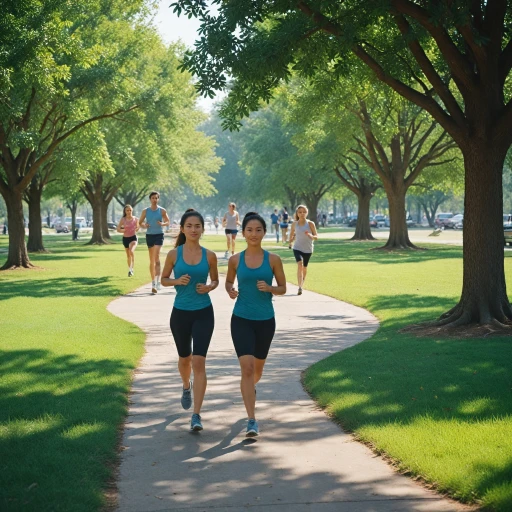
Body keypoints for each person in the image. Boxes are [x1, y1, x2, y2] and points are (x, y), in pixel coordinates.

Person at [225, 212, 286, 437]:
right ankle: (252, 420)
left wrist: (270, 289)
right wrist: (230, 290)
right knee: (247, 368)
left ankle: (250, 387)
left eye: (258, 230)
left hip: (265, 321)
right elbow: (229, 280)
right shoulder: (235, 260)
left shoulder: (273, 260)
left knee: (257, 370)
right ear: (243, 233)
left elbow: (283, 288)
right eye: (249, 230)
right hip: (241, 318)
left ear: (264, 232)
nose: (253, 234)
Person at [161, 209, 219, 431]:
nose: (194, 230)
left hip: (204, 312)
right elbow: (163, 279)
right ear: (183, 229)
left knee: (198, 362)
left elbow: (215, 280)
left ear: (203, 229)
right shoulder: (174, 254)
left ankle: (196, 415)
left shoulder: (210, 255)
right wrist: (177, 282)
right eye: (189, 226)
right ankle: (186, 385)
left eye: (197, 226)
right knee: (185, 359)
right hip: (180, 314)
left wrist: (209, 287)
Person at [139, 191, 170, 294]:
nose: (154, 200)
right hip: (149, 236)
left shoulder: (162, 210)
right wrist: (145, 225)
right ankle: (153, 282)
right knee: (152, 260)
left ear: (158, 199)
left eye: (156, 198)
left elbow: (167, 221)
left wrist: (162, 223)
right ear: (150, 199)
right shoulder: (145, 211)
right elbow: (140, 223)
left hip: (159, 235)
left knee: (156, 257)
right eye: (153, 198)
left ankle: (157, 282)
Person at [289, 205, 318, 295]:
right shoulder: (294, 224)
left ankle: (302, 281)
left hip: (308, 249)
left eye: (304, 212)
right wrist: (290, 241)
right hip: (297, 247)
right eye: (300, 212)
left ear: (307, 213)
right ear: (297, 213)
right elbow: (291, 235)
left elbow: (316, 237)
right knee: (300, 264)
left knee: (304, 267)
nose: (302, 214)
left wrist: (311, 236)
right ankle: (300, 287)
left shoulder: (310, 224)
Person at [117, 205, 140, 277]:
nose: (129, 212)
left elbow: (138, 227)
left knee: (131, 251)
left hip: (133, 238)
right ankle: (130, 269)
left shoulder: (135, 219)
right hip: (125, 239)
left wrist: (136, 229)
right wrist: (122, 230)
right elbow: (118, 229)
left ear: (132, 210)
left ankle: (132, 269)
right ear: (125, 211)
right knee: (128, 256)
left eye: (130, 210)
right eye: (127, 210)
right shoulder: (123, 219)